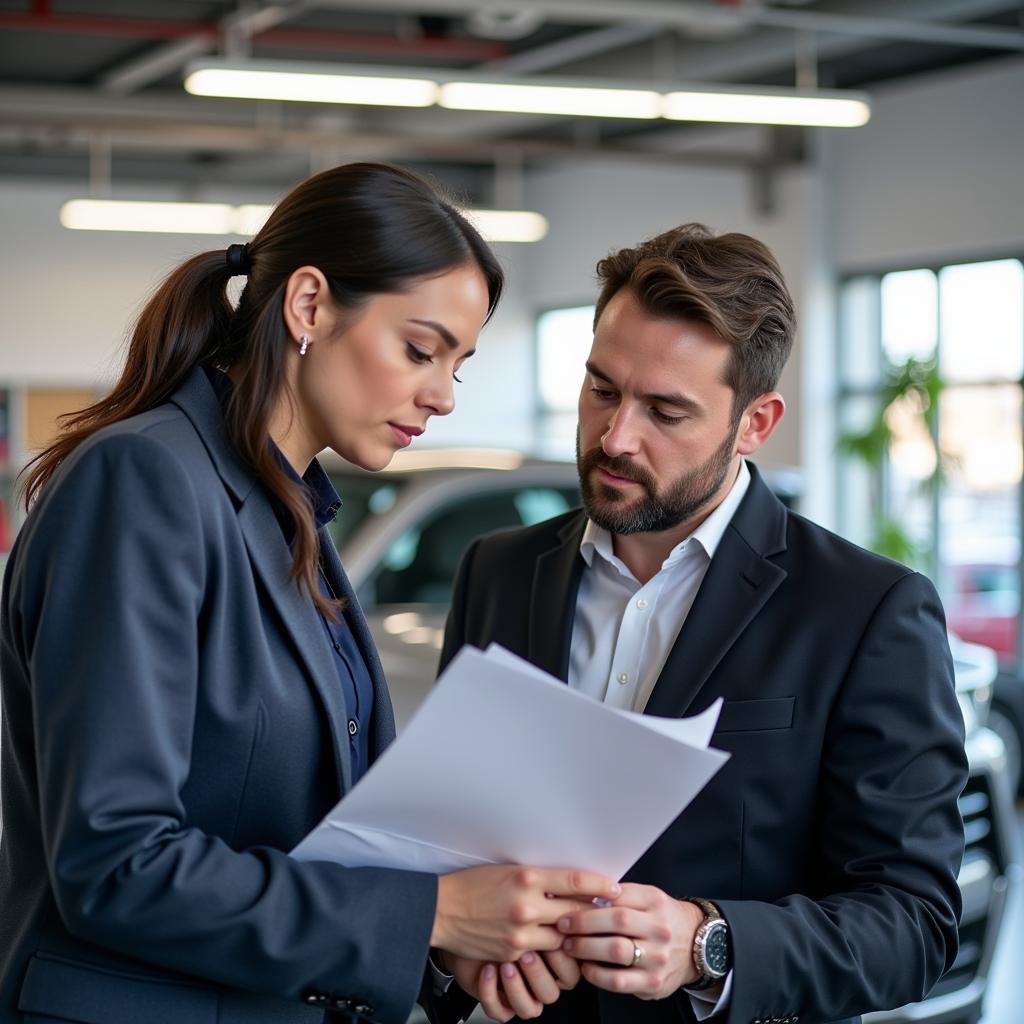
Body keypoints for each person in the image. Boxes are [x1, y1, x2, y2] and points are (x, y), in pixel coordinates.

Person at [0, 162, 621, 1024]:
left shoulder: (294, 512)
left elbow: (315, 845)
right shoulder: (144, 481)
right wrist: (434, 913)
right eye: (419, 349)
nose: (442, 395)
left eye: (459, 363)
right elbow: (116, 863)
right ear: (308, 306)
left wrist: (443, 942)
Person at [439, 224, 968, 1024]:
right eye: (603, 389)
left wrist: (707, 942)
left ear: (755, 423)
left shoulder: (867, 610)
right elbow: (453, 833)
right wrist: (450, 952)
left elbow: (914, 924)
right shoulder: (497, 572)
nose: (616, 437)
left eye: (666, 411)